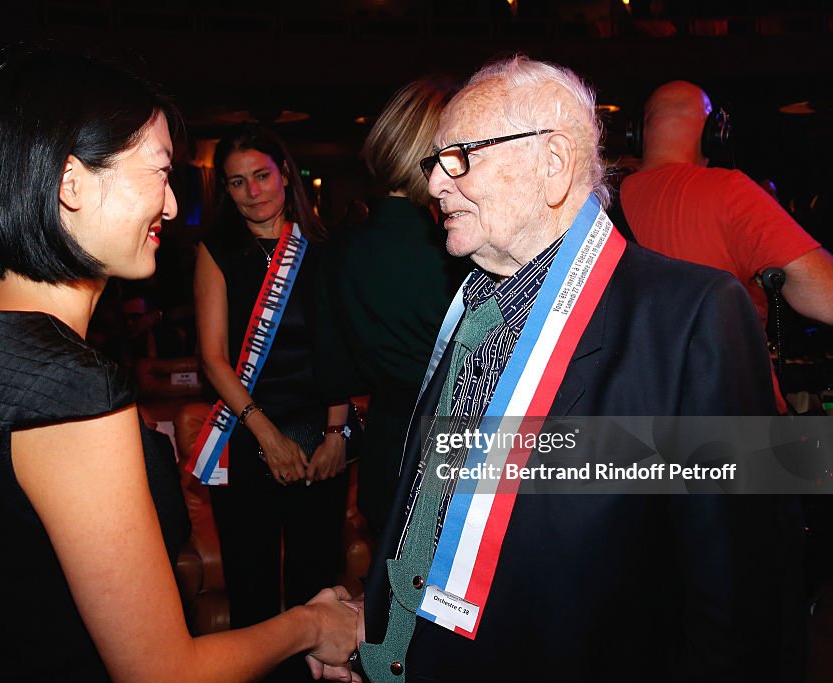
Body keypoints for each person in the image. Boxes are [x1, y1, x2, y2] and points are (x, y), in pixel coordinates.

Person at [314, 56, 799, 683]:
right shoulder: (470, 308)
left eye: (460, 155)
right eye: (436, 162)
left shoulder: (695, 316)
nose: (434, 183)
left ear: (554, 163)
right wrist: (375, 632)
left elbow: (745, 598)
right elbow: (436, 520)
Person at [0, 51, 357, 683]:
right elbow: (161, 672)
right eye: (158, 173)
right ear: (71, 183)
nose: (173, 206)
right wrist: (314, 624)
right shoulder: (68, 388)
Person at [192, 123, 354, 680]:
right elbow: (213, 358)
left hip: (321, 436)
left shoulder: (326, 248)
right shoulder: (217, 251)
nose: (252, 191)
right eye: (237, 182)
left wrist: (338, 433)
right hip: (249, 431)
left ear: (284, 174)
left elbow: (339, 347)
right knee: (251, 586)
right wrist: (265, 434)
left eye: (261, 176)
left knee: (316, 586)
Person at [620, 81, 833, 408]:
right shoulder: (729, 191)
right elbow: (825, 296)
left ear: (637, 132)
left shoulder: (593, 202)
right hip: (730, 417)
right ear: (714, 132)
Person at [316, 77, 467, 536]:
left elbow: (332, 367)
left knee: (388, 602)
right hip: (455, 449)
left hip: (386, 448)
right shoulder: (460, 248)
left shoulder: (336, 250)